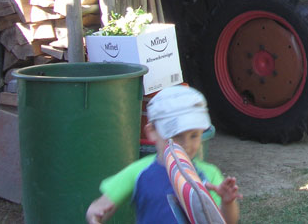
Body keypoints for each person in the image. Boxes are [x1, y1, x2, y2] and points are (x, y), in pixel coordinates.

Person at [86, 85, 241, 224]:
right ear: (152, 132)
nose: (186, 145)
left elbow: (226, 221)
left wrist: (227, 203)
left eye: (194, 135)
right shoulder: (139, 171)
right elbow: (100, 207)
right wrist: (96, 213)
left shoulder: (209, 174)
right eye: (177, 136)